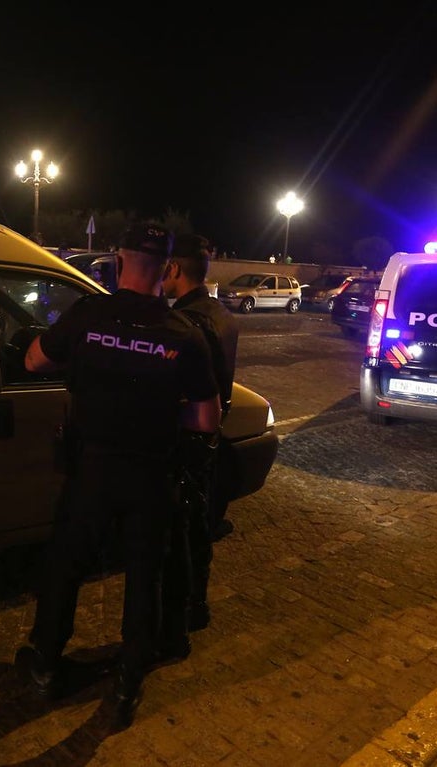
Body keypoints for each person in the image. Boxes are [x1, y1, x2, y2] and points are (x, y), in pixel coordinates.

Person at [15, 222, 222, 729]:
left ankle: (45, 661)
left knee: (67, 565)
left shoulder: (88, 315)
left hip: (92, 469)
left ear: (117, 257)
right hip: (151, 475)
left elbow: (34, 359)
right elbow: (205, 419)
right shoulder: (184, 334)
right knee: (144, 576)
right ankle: (129, 679)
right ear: (168, 269)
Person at [160, 233, 241, 650]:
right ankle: (198, 606)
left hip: (187, 439)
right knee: (200, 527)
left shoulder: (188, 322)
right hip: (211, 438)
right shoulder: (222, 315)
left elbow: (186, 389)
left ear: (173, 270)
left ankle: (181, 618)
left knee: (181, 533)